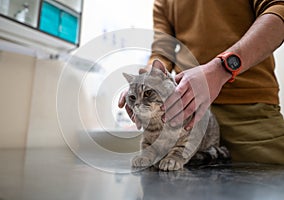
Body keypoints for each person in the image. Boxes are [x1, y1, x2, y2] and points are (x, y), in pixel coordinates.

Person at [119, 0, 284, 164]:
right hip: (183, 110)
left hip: (250, 111)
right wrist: (144, 84)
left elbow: (279, 9)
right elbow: (162, 51)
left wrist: (221, 69)